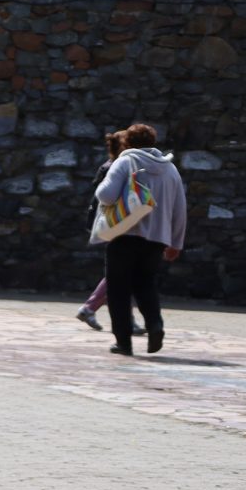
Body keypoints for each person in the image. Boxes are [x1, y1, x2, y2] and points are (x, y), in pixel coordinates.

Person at [93, 123, 188, 356]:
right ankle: (155, 325)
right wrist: (176, 243)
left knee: (118, 289)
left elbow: (106, 195)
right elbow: (180, 209)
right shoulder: (170, 169)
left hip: (124, 234)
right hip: (157, 239)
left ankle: (123, 343)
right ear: (153, 141)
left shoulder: (125, 162)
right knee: (146, 284)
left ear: (126, 142)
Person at [74, 130, 126, 331]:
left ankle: (95, 309)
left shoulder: (111, 166)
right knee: (122, 271)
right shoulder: (117, 168)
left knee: (124, 272)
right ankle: (91, 308)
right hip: (119, 224)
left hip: (113, 224)